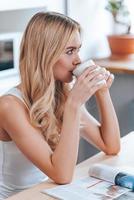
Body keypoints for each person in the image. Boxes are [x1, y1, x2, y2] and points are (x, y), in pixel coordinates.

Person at [0, 11, 120, 199]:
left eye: (78, 50)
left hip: (45, 192)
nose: (78, 60)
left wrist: (102, 92)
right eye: (69, 51)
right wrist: (73, 105)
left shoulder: (61, 94)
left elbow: (111, 146)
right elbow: (62, 175)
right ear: (45, 54)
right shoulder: (9, 106)